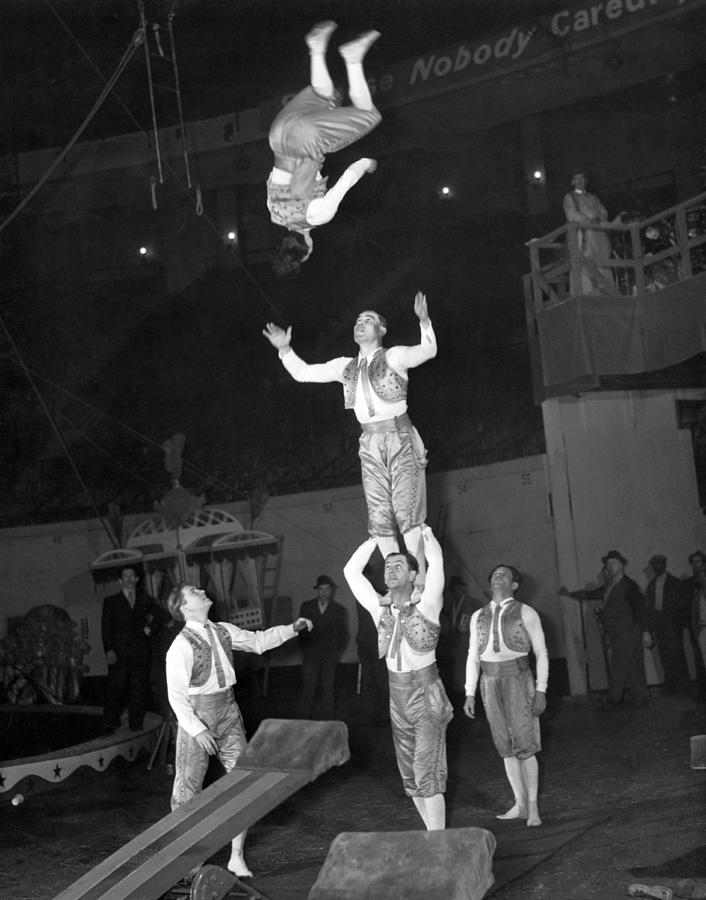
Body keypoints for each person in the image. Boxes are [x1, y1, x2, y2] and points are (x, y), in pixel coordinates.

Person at [263, 292, 436, 568]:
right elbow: (303, 373)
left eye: (368, 320)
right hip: (369, 442)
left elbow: (427, 351)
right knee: (380, 517)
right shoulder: (345, 366)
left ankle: (420, 578)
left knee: (407, 511)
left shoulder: (394, 356)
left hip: (399, 437)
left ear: (381, 330)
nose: (360, 324)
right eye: (357, 320)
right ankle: (395, 579)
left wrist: (424, 322)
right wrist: (285, 349)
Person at [165, 582, 313, 878]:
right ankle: (187, 865)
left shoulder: (222, 630)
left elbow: (258, 642)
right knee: (186, 793)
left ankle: (236, 857)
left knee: (245, 785)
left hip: (229, 711)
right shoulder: (180, 645)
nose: (202, 591)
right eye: (194, 591)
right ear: (184, 607)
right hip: (197, 714)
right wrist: (197, 729)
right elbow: (177, 696)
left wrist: (292, 628)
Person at [343, 525, 453, 831]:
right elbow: (351, 572)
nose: (390, 570)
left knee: (425, 771)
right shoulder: (381, 611)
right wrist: (372, 540)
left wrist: (428, 535)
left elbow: (437, 564)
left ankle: (439, 841)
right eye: (387, 566)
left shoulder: (428, 604)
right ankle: (433, 835)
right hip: (397, 696)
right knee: (410, 778)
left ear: (414, 575)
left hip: (426, 692)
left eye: (398, 565)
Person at [267, 21, 381, 274]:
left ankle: (353, 58)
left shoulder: (317, 216)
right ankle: (316, 47)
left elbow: (348, 178)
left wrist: (365, 164)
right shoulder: (275, 213)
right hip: (277, 134)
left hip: (304, 140)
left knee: (369, 115)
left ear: (307, 247)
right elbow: (281, 177)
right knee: (325, 96)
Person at [463, 565, 548, 827]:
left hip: (519, 681)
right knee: (505, 747)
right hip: (489, 682)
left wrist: (541, 689)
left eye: (505, 574)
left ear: (514, 585)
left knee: (525, 744)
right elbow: (472, 656)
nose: (498, 576)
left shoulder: (526, 612)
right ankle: (519, 803)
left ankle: (533, 807)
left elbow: (541, 652)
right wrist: (469, 692)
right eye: (495, 574)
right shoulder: (478, 615)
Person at [560, 550, 652, 707]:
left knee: (620, 663)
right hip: (618, 633)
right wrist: (570, 594)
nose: (610, 566)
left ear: (622, 565)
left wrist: (645, 632)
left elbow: (640, 609)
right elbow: (593, 593)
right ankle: (638, 696)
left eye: (614, 563)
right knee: (629, 664)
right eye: (608, 564)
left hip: (629, 631)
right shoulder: (610, 585)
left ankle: (616, 697)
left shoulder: (629, 585)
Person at [101, 566, 163, 733]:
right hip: (119, 653)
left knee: (139, 689)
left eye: (131, 576)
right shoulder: (111, 602)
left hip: (139, 652)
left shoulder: (145, 599)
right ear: (120, 580)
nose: (128, 579)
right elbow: (106, 628)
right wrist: (109, 650)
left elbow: (159, 615)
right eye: (125, 577)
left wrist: (149, 629)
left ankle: (136, 725)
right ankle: (110, 723)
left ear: (136, 579)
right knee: (116, 689)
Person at [297, 574, 348, 719]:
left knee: (328, 689)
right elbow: (300, 632)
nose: (324, 593)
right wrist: (305, 651)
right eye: (321, 589)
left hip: (329, 656)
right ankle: (304, 721)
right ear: (317, 590)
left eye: (327, 589)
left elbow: (343, 635)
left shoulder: (339, 610)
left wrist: (335, 653)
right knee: (308, 688)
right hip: (310, 656)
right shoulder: (306, 607)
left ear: (331, 591)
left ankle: (329, 720)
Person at [563, 171, 614, 295]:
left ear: (586, 180)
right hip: (584, 233)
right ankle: (587, 293)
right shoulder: (570, 197)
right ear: (573, 182)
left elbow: (603, 211)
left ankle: (608, 290)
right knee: (584, 262)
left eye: (582, 178)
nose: (580, 182)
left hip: (599, 233)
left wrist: (599, 219)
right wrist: (589, 220)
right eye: (577, 179)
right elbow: (571, 213)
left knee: (603, 261)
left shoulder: (593, 197)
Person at [645, 554, 689, 693]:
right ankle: (670, 685)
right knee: (664, 654)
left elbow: (682, 605)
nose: (656, 567)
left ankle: (683, 685)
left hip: (672, 623)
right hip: (658, 624)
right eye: (654, 565)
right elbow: (649, 607)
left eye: (659, 563)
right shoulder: (651, 585)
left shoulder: (675, 583)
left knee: (677, 653)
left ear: (664, 565)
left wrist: (677, 622)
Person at [439, 575, 484, 702]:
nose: (456, 591)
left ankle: (474, 698)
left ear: (463, 588)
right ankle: (463, 698)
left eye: (458, 588)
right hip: (457, 644)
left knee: (471, 670)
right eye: (453, 589)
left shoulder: (474, 603)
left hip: (470, 643)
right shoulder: (452, 605)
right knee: (459, 673)